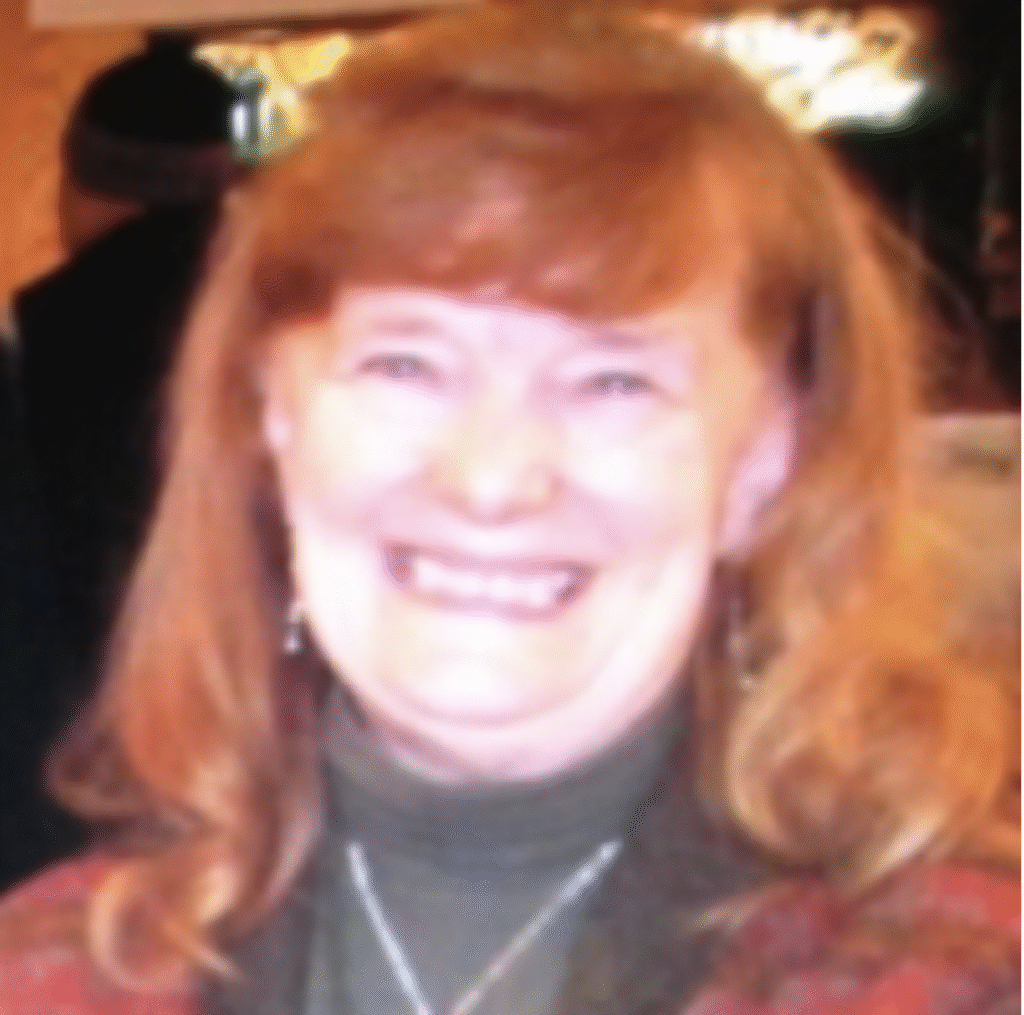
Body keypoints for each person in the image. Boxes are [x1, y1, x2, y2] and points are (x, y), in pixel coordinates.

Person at [0, 7, 1017, 1014]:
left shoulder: (959, 968)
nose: (490, 479)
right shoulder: (55, 969)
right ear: (273, 416)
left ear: (766, 461)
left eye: (612, 381)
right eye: (407, 364)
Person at [0, 35, 238, 888]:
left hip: (80, 767)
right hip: (255, 746)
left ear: (77, 182)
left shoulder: (44, 334)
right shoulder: (292, 321)